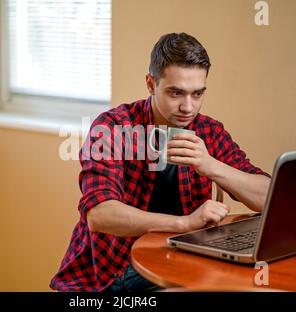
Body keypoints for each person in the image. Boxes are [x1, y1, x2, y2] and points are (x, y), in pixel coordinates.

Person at [50, 32, 271, 292]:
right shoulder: (112, 127)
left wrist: (211, 165)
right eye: (176, 93)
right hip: (113, 274)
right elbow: (101, 215)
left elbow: (270, 198)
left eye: (197, 94)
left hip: (180, 261)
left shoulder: (208, 131)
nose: (188, 107)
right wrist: (185, 224)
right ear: (150, 84)